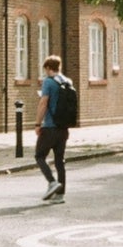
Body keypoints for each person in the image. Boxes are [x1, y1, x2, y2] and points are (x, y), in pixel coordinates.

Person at [35, 53, 73, 201]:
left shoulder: (48, 82)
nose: (45, 72)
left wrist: (38, 124)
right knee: (59, 161)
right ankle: (60, 195)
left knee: (39, 156)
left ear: (48, 68)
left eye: (45, 69)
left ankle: (52, 182)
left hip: (50, 127)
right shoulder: (67, 81)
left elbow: (43, 103)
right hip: (63, 128)